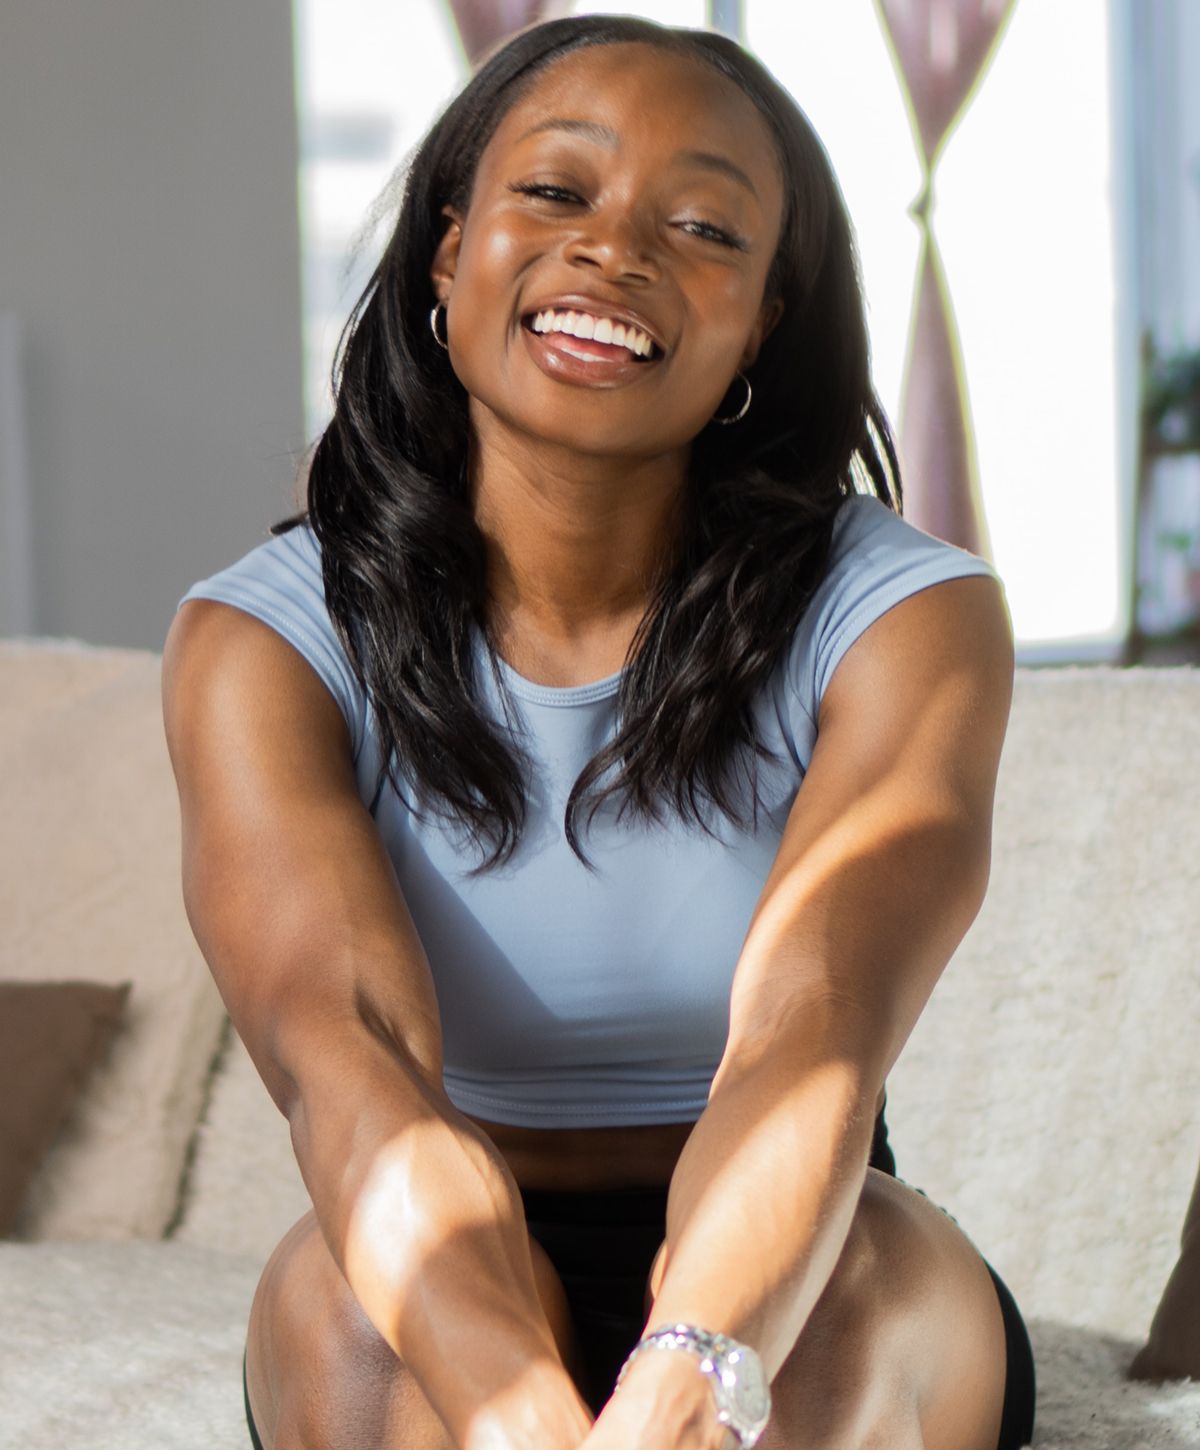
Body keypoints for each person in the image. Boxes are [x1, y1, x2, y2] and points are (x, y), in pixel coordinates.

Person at [163, 14, 1035, 1449]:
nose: (613, 250)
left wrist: (692, 1368)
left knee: (823, 1338)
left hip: (797, 1234)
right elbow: (350, 1053)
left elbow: (812, 1034)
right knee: (350, 1321)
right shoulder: (265, 639)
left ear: (763, 317)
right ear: (450, 255)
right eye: (555, 194)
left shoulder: (902, 617)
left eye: (700, 226)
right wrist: (519, 1416)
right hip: (438, 1230)